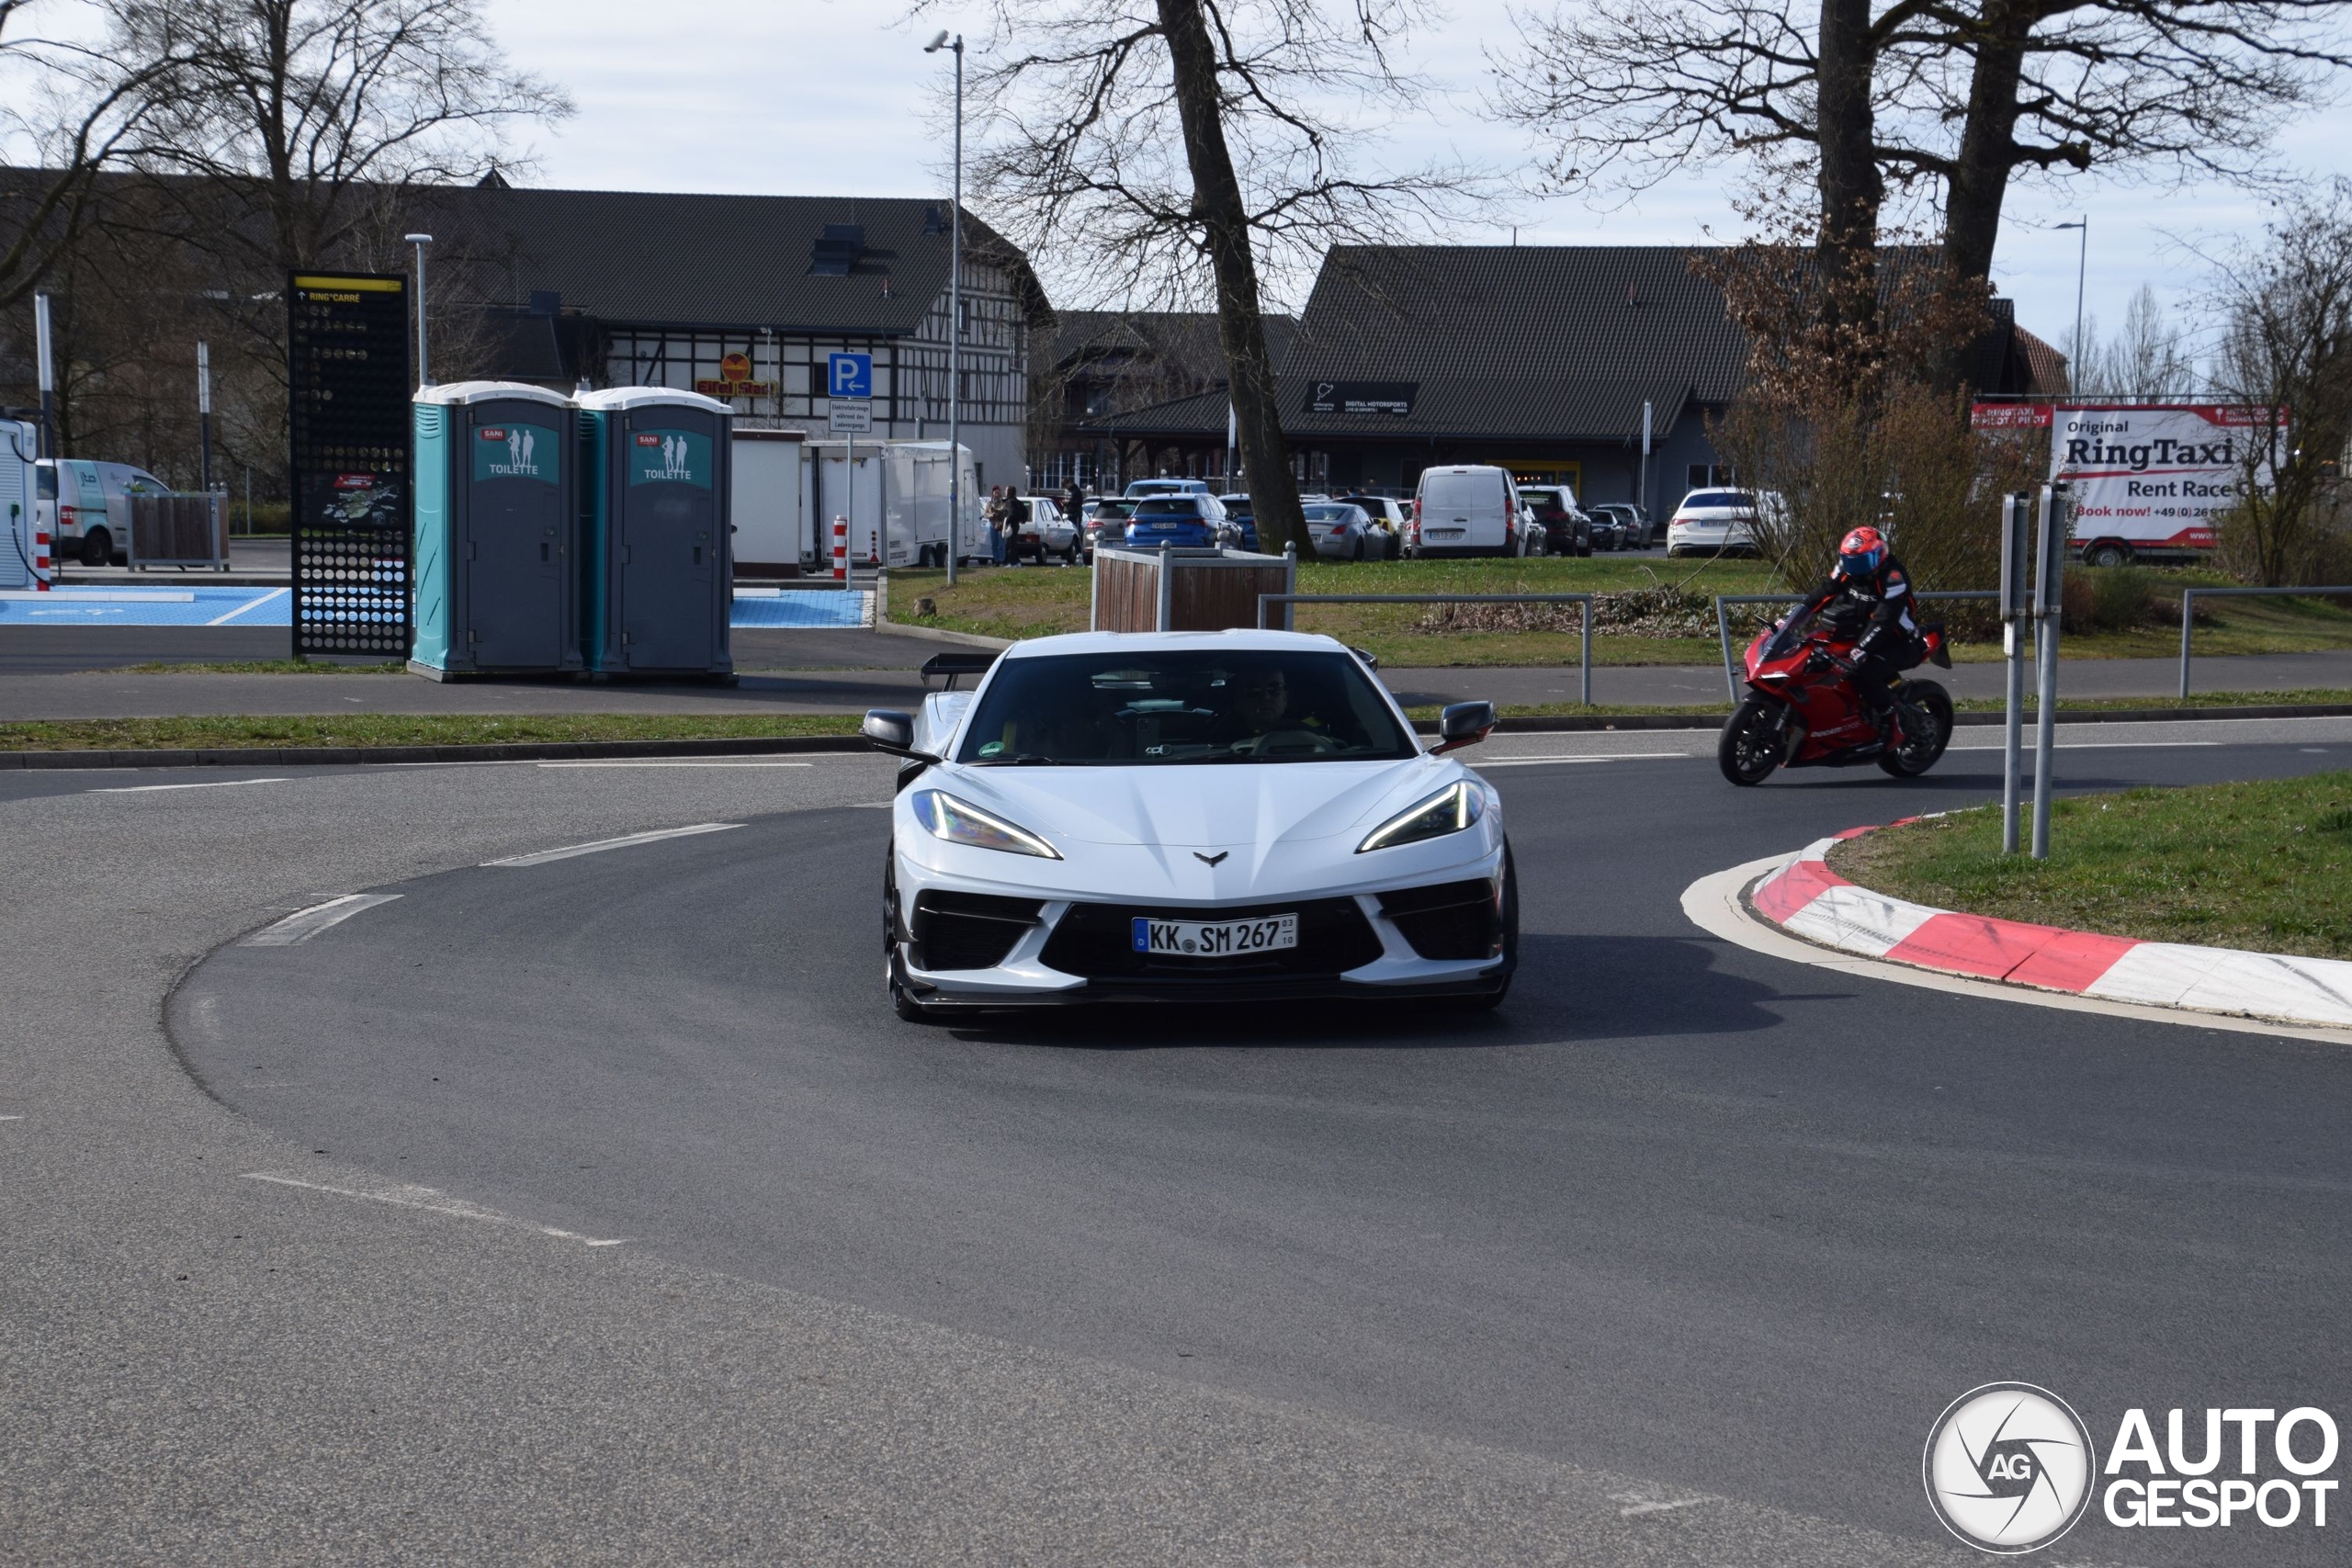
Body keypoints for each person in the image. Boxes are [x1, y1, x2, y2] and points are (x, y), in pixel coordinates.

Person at [1799, 525, 1925, 741]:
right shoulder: (1847, 569)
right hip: (1860, 633)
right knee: (1814, 658)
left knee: (1864, 673)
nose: (1855, 569)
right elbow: (1825, 592)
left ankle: (1896, 719)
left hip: (1898, 639)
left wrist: (1857, 653)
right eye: (1850, 562)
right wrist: (1791, 619)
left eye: (1862, 563)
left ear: (1879, 555)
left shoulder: (1894, 577)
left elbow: (1883, 621)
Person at [984, 485, 1008, 566]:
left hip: (1000, 524)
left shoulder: (1003, 502)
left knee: (1001, 544)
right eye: (995, 493)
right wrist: (991, 515)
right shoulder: (989, 503)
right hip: (992, 524)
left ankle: (1002, 560)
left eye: (998, 493)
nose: (997, 495)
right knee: (994, 544)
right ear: (993, 494)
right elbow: (986, 514)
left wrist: (996, 511)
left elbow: (1003, 511)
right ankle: (996, 560)